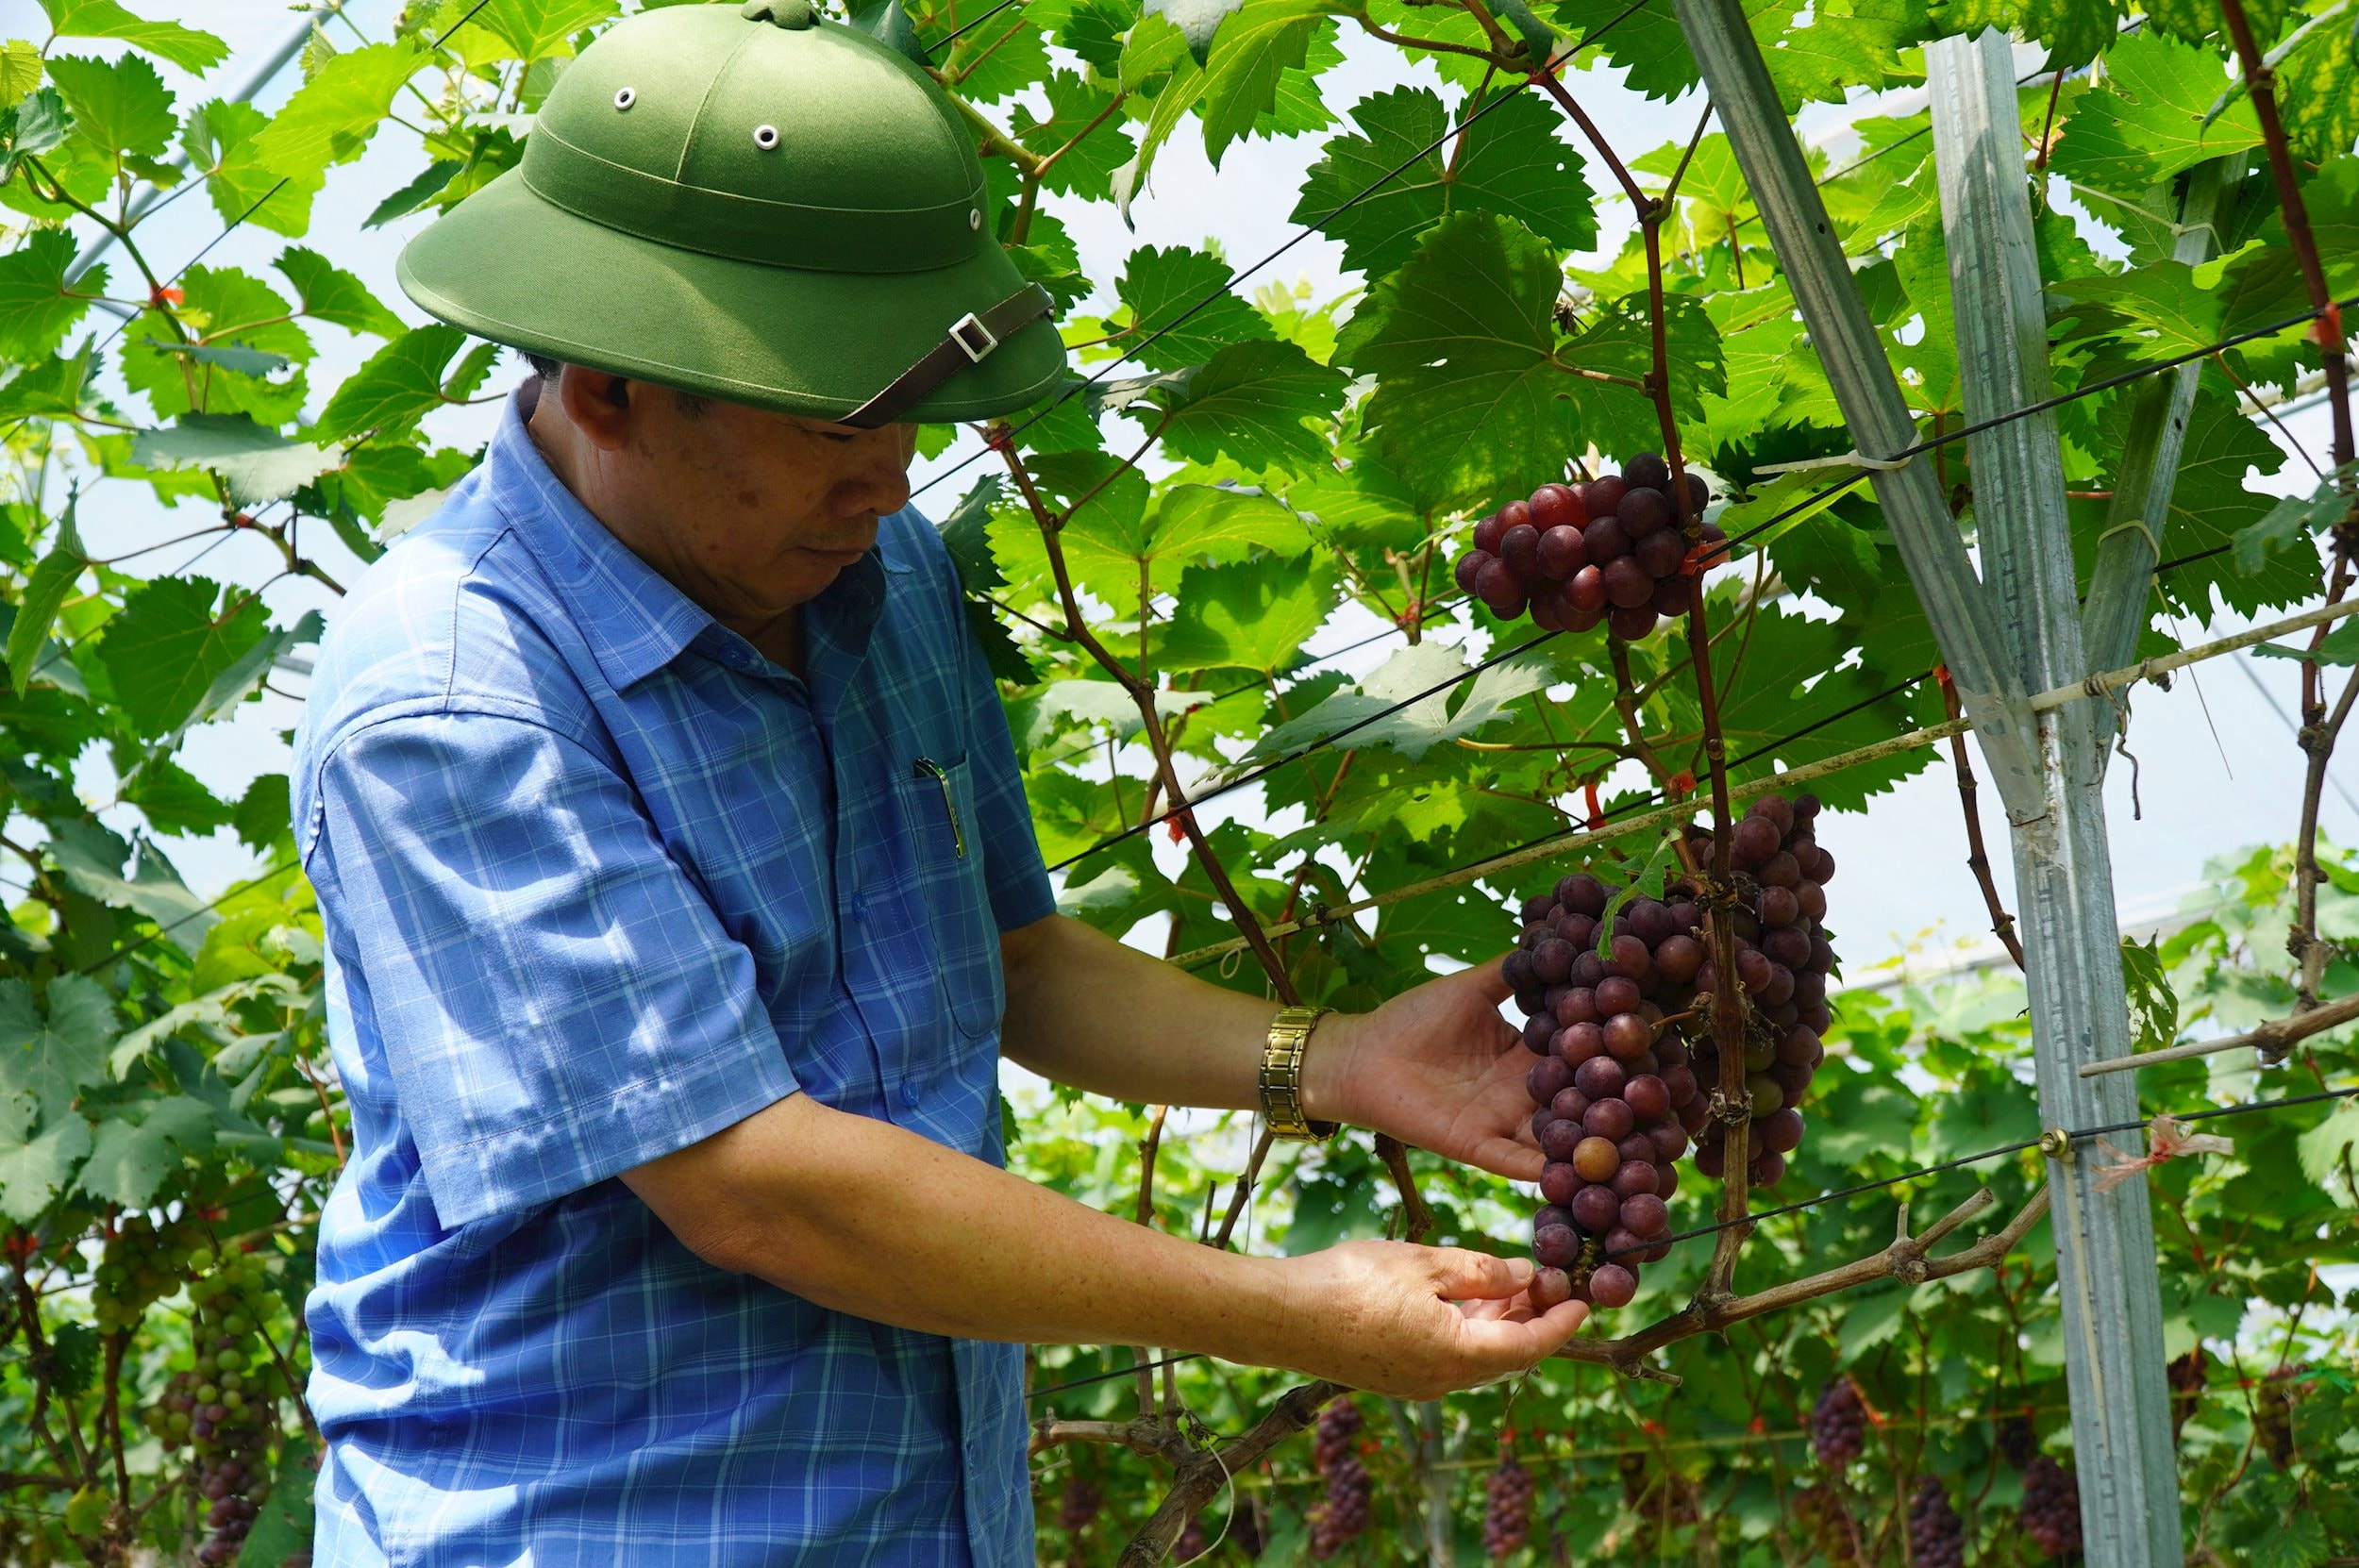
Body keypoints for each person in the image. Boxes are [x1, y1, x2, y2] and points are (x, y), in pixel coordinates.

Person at [291, 3, 1585, 1563]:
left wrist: (1338, 1056)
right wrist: (1289, 1310)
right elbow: (757, 1185)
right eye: (839, 407)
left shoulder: (873, 566)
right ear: (609, 387)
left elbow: (1010, 959)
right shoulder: (453, 698)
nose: (895, 469)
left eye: (910, 401)